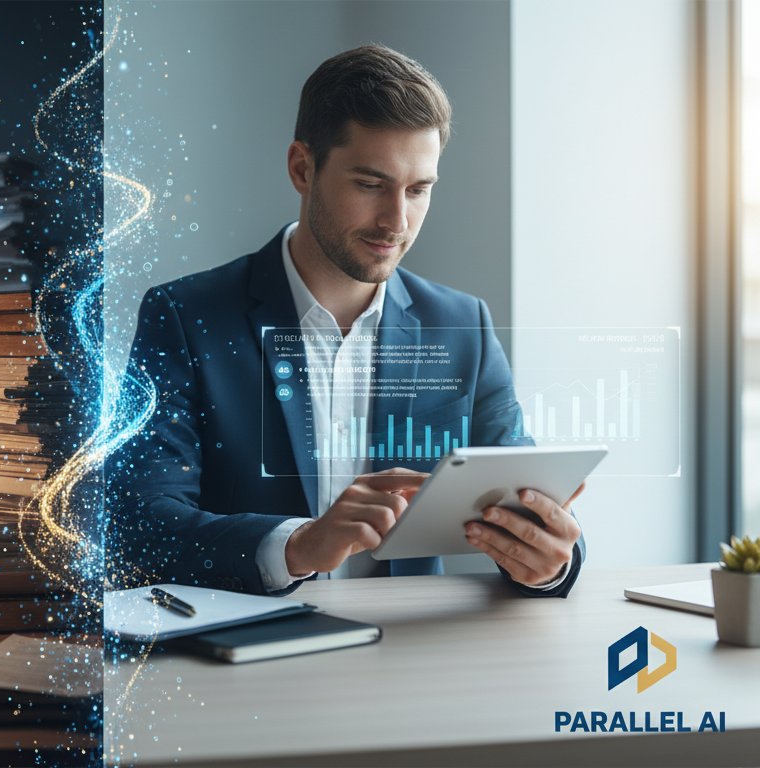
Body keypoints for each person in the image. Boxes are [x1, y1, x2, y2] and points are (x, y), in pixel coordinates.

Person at [116, 44, 585, 597]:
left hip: (406, 659)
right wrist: (297, 546)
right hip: (245, 662)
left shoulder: (464, 326)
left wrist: (549, 561)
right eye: (369, 184)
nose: (396, 220)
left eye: (418, 190)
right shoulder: (186, 318)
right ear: (302, 168)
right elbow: (139, 524)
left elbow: (532, 510)